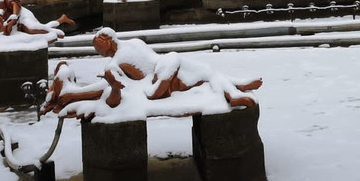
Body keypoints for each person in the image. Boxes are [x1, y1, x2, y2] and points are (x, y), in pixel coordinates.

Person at [40, 27, 261, 115]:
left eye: (98, 46)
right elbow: (111, 88)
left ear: (108, 39)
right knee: (203, 72)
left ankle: (235, 90)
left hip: (166, 70)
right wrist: (74, 95)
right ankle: (235, 90)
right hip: (161, 81)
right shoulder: (114, 64)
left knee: (205, 72)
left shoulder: (132, 43)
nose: (98, 51)